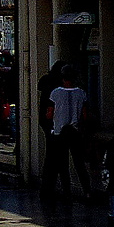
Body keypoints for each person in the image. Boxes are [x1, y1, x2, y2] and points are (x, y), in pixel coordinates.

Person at [42, 65, 92, 203]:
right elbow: (85, 114)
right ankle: (87, 191)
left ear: (62, 78)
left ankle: (67, 192)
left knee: (62, 164)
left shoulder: (55, 93)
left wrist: (51, 118)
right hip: (75, 131)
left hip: (60, 132)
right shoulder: (81, 93)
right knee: (79, 163)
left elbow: (50, 113)